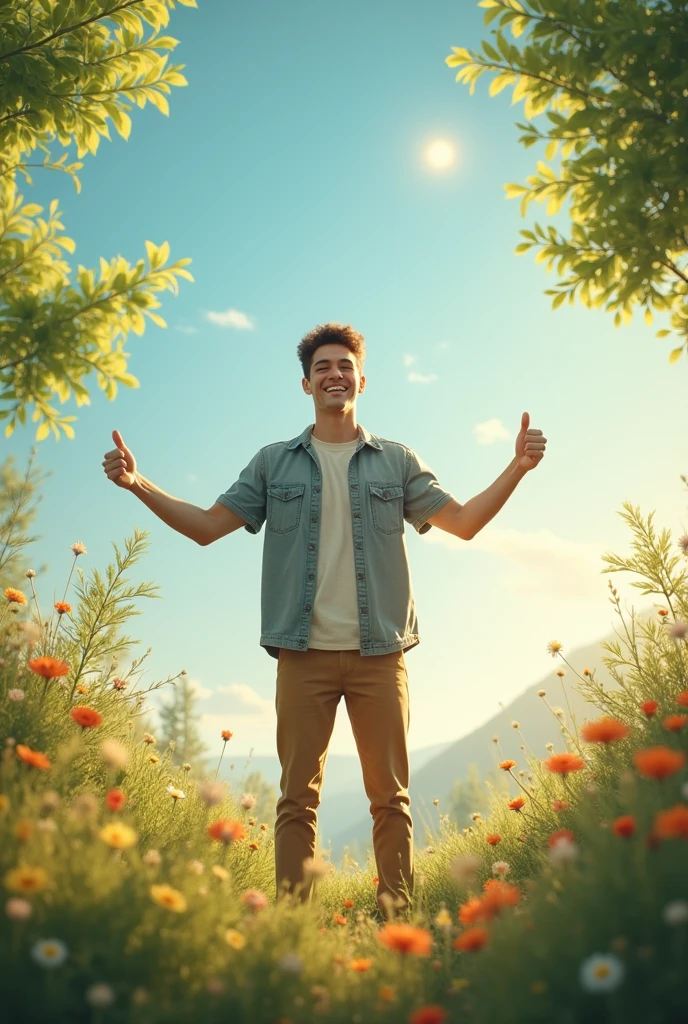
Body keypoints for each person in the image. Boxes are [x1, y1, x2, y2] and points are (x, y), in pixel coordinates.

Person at [102, 321, 547, 918]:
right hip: (302, 655)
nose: (334, 375)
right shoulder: (273, 463)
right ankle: (295, 931)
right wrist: (137, 485)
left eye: (344, 366)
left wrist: (516, 468)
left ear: (361, 379)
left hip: (379, 655)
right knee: (294, 802)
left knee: (391, 800)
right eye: (323, 368)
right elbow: (208, 528)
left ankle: (396, 929)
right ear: (306, 384)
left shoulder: (396, 462)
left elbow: (463, 523)